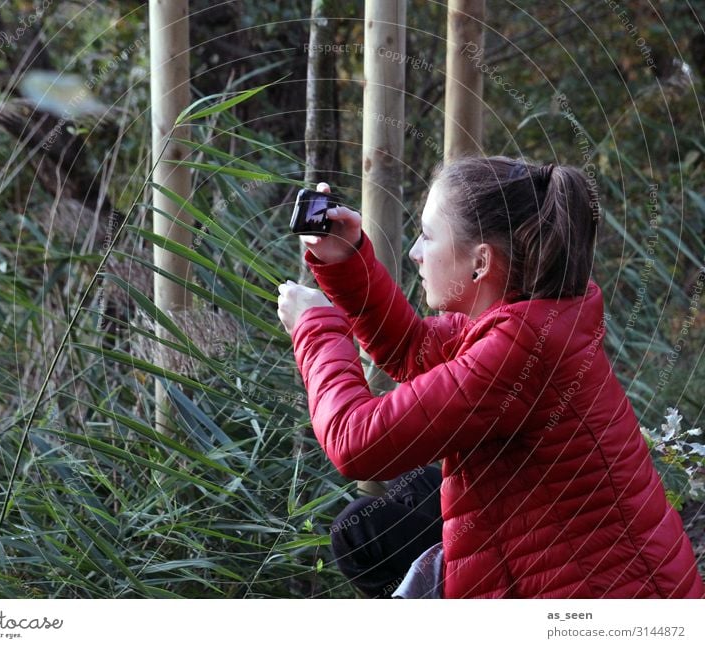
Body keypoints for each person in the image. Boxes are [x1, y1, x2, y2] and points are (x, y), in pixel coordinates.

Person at [276, 156, 705, 598]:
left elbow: (357, 443)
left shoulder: (520, 350)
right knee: (369, 530)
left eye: (427, 236)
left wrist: (316, 326)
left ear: (481, 262)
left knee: (374, 534)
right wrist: (346, 261)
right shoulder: (531, 318)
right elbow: (413, 350)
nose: (415, 252)